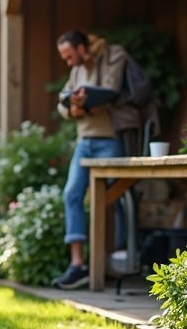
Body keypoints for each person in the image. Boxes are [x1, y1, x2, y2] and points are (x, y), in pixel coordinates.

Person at [52, 30, 135, 289]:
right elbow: (62, 103)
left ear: (80, 48)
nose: (67, 62)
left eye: (69, 56)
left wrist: (81, 105)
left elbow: (109, 92)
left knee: (114, 196)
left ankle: (119, 256)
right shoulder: (76, 72)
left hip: (110, 139)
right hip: (84, 142)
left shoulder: (113, 55)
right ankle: (78, 265)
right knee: (71, 194)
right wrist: (73, 106)